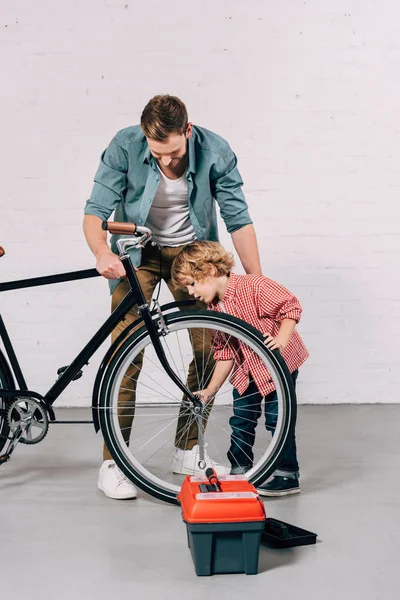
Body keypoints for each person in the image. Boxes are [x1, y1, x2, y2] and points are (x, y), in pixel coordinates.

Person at [83, 95, 262, 499]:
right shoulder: (124, 145)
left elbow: (239, 219)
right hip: (137, 254)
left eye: (173, 152)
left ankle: (185, 448)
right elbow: (94, 211)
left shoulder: (215, 151)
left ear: (188, 130)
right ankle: (113, 462)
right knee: (125, 355)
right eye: (156, 152)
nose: (164, 161)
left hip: (192, 255)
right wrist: (101, 252)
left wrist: (255, 283)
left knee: (209, 349)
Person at [171, 241, 309, 496]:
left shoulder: (253, 285)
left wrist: (281, 340)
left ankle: (288, 473)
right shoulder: (214, 310)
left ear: (208, 270)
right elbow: (224, 354)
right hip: (247, 372)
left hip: (278, 368)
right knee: (241, 421)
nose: (190, 292)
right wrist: (210, 390)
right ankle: (240, 468)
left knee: (279, 419)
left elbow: (290, 306)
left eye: (191, 284)